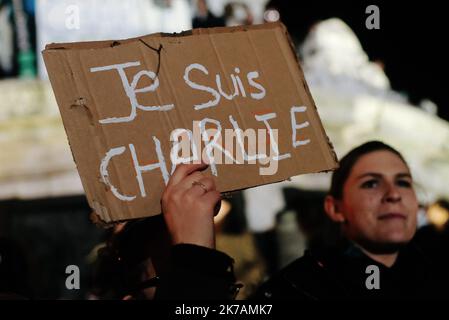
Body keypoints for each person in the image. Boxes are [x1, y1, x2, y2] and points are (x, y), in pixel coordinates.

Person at [155, 141, 449, 300]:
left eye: (404, 183)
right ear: (335, 208)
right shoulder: (301, 286)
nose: (393, 194)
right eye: (371, 184)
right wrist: (195, 260)